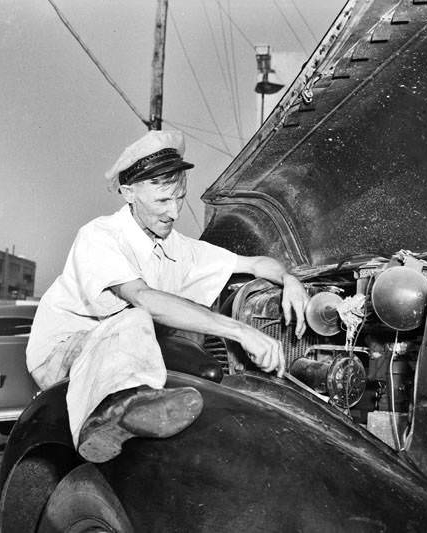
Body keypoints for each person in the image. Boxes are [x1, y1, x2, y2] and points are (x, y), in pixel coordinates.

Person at [26, 129, 309, 463]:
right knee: (135, 316)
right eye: (162, 201)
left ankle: (142, 409)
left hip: (127, 347)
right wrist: (241, 331)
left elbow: (257, 264)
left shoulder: (179, 248)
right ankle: (109, 418)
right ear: (129, 193)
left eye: (179, 198)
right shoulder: (100, 236)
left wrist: (290, 280)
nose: (174, 213)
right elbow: (143, 298)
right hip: (62, 350)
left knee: (187, 343)